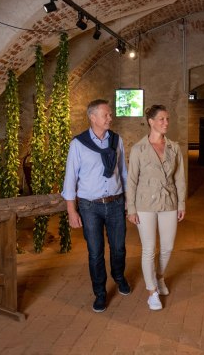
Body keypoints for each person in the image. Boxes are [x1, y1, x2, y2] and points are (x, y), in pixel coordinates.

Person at [62, 99, 130, 313]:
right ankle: (100, 292)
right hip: (90, 206)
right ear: (93, 117)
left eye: (110, 115)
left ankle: (119, 277)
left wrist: (130, 201)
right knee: (95, 252)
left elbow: (123, 172)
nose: (110, 118)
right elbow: (70, 178)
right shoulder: (78, 144)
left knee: (119, 248)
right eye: (106, 115)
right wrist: (71, 211)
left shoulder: (116, 140)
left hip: (116, 202)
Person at [126, 104, 186, 311]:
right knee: (149, 249)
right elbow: (131, 180)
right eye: (161, 119)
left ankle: (159, 277)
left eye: (167, 119)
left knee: (167, 247)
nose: (166, 123)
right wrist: (131, 208)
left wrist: (181, 203)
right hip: (144, 204)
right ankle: (151, 292)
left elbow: (179, 178)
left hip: (168, 201)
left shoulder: (174, 148)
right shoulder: (138, 149)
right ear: (151, 122)